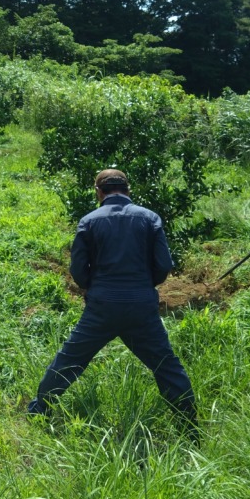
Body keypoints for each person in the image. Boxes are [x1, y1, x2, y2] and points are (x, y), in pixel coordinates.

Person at [28, 169, 198, 439]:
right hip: (141, 307)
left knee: (70, 360)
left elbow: (78, 270)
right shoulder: (150, 218)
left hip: (102, 307)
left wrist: (94, 288)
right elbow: (164, 265)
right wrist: (144, 286)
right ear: (128, 190)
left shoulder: (89, 221)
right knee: (166, 365)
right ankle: (189, 427)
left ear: (99, 192)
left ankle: (40, 411)